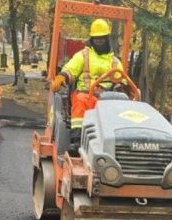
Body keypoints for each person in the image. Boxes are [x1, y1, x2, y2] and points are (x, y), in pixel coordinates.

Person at [50, 18, 125, 148]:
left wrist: (121, 87)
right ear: (92, 39)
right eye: (96, 39)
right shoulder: (83, 55)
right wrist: (62, 77)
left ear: (107, 39)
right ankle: (77, 140)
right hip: (86, 95)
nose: (99, 41)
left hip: (107, 99)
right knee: (80, 100)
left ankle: (118, 143)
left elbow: (122, 80)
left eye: (102, 38)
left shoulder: (115, 62)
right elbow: (71, 69)